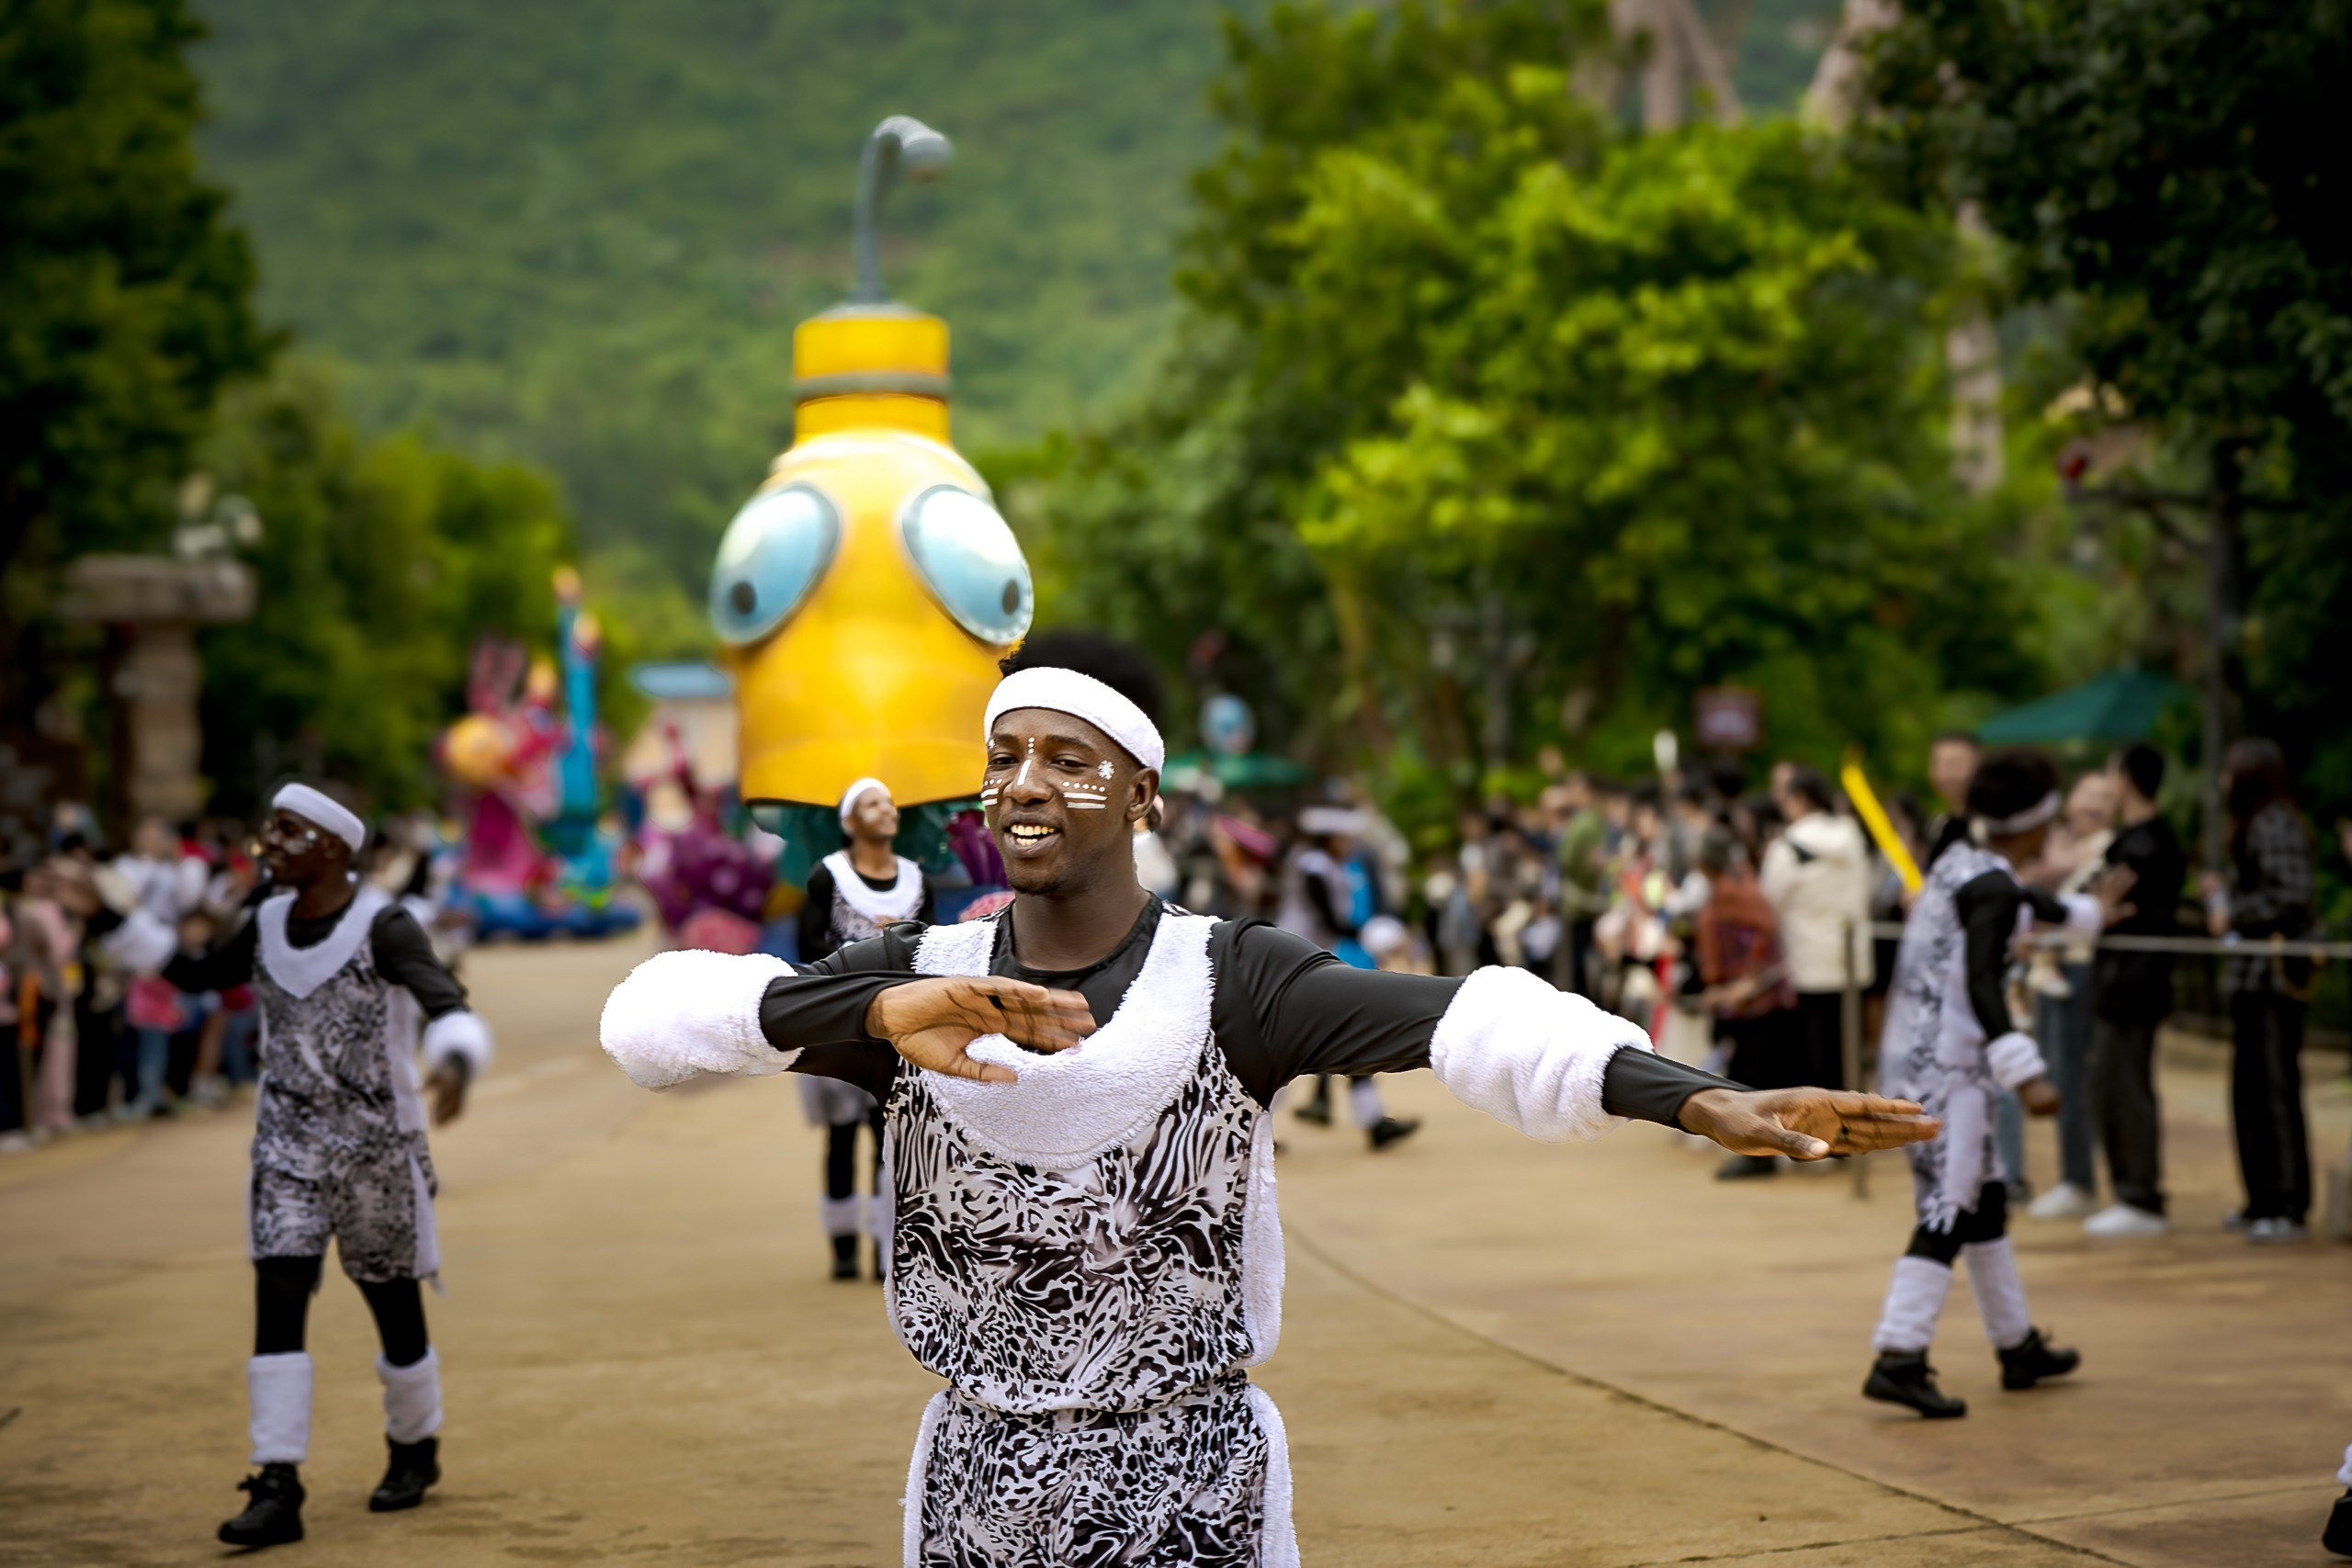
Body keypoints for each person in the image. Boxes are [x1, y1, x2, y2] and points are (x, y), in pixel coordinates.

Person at [600, 651, 1939, 1563]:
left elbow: (1472, 1018)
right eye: (1004, 753)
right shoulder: (926, 980)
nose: (1020, 782)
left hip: (1194, 1482)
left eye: (1067, 756)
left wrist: (1700, 1095)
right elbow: (649, 1019)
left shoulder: (1225, 979)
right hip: (974, 1486)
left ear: (1144, 793)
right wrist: (861, 1012)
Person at [69, 782, 493, 1548]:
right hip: (286, 1145)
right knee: (278, 1291)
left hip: (376, 1152)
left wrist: (458, 1060)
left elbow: (445, 998)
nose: (267, 841)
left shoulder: (383, 925)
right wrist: (105, 915)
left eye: (286, 829)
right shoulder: (263, 922)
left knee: (393, 1304)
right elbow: (196, 973)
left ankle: (414, 1444)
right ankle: (276, 1481)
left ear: (332, 846)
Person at [1863, 748, 2127, 1419]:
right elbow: (1984, 979)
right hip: (1949, 1074)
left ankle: (2015, 1344)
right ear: (2037, 822)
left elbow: (2025, 899)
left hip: (1929, 1066)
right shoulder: (1989, 883)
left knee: (1981, 1203)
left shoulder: (1961, 863)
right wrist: (2026, 1071)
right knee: (1949, 1209)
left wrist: (2089, 913)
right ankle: (1898, 1353)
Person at [795, 777, 933, 1279]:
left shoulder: (917, 880)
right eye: (872, 804)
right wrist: (864, 952)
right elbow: (807, 948)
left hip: (896, 1032)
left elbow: (931, 954)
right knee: (839, 1136)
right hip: (837, 1026)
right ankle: (844, 1247)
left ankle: (884, 1247)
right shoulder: (826, 878)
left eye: (890, 802)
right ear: (850, 822)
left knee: (887, 1138)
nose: (886, 810)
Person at [2211, 738, 2317, 1243]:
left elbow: (2292, 895)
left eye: (2230, 772)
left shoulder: (2274, 822)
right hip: (2251, 977)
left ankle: (2288, 1203)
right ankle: (2261, 1200)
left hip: (2275, 980)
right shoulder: (2258, 824)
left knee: (2275, 1091)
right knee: (2248, 1091)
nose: (2222, 782)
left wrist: (2234, 912)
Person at [2083, 745, 2187, 1237]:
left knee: (2126, 1090)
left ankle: (2140, 1196)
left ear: (2124, 777)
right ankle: (2131, 1191)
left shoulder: (2143, 846)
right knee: (2113, 1087)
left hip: (2132, 986)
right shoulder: (2145, 840)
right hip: (2124, 984)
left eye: (2109, 769)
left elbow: (2108, 902)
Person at [1279, 807, 1419, 1149]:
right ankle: (1246, 1130)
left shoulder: (1318, 863)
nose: (1348, 844)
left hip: (1310, 962)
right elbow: (1332, 921)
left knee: (1343, 1038)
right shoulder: (1314, 867)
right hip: (1300, 964)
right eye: (1343, 838)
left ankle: (1372, 1121)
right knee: (1287, 1052)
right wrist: (1380, 936)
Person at [2020, 771, 2118, 1222]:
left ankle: (2079, 1180)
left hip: (2077, 969)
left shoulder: (2104, 852)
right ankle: (2072, 1176)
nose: (2093, 805)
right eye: (2087, 795)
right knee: (2059, 1071)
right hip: (2048, 970)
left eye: (2103, 797)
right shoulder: (2060, 845)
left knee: (2070, 1077)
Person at [1691, 829, 1799, 1180]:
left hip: (1756, 1002)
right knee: (1751, 1077)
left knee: (1753, 1080)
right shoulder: (1735, 887)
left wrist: (1740, 988)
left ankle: (1760, 1155)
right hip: (1747, 1000)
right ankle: (1759, 1152)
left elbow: (1761, 944)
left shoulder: (1735, 895)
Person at [1759, 768, 1873, 1091]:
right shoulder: (1852, 835)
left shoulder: (1787, 845)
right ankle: (1852, 1117)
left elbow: (1771, 898)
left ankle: (1822, 1123)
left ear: (1799, 799)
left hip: (1806, 957)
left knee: (1813, 1049)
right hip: (1852, 956)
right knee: (1847, 1045)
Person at [1923, 732, 1982, 869]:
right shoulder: (1937, 825)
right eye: (1937, 763)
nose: (1944, 773)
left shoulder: (1989, 827)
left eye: (1953, 764)